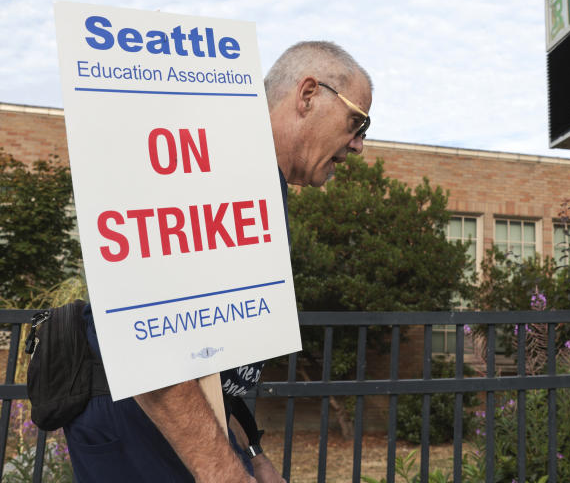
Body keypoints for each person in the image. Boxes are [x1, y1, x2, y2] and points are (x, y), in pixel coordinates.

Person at [64, 41, 373, 482]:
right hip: (143, 423)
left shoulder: (259, 182)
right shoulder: (211, 168)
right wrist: (225, 473)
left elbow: (210, 352)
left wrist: (248, 452)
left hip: (184, 427)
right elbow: (153, 345)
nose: (359, 144)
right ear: (308, 94)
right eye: (357, 121)